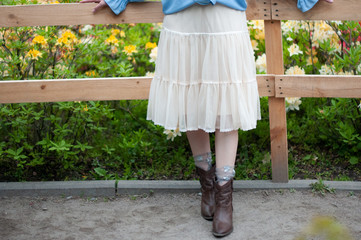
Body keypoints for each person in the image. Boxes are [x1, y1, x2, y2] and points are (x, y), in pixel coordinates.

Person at [80, 0, 334, 237]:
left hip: (225, 15)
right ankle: (207, 188)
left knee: (227, 105)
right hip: (182, 16)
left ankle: (225, 199)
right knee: (189, 100)